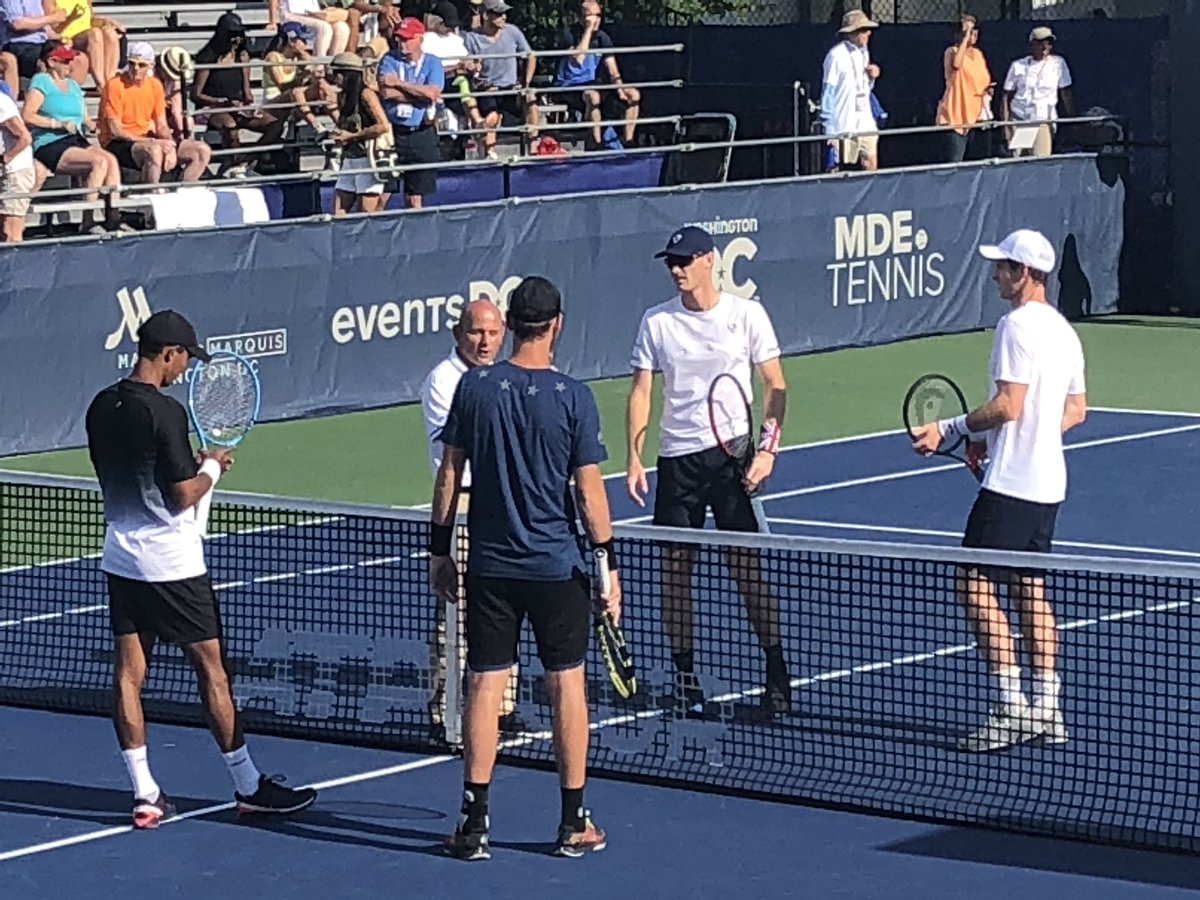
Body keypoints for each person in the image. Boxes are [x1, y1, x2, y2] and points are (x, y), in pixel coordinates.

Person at [84, 310, 319, 828]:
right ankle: (249, 786)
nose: (186, 369)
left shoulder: (101, 405)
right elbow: (180, 496)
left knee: (128, 675)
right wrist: (211, 466)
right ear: (168, 353)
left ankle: (145, 794)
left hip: (121, 558)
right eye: (185, 358)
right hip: (173, 567)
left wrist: (192, 467)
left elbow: (144, 473)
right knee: (212, 671)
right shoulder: (165, 412)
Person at [429, 276, 617, 860]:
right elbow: (589, 492)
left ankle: (473, 824)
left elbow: (449, 474)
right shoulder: (574, 397)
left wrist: (439, 550)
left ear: (509, 324)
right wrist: (607, 565)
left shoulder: (475, 388)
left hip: (490, 567)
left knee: (484, 684)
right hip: (558, 569)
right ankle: (573, 822)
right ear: (557, 324)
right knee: (567, 685)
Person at [911, 228, 1087, 753]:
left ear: (1025, 274)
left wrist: (951, 428)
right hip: (1049, 484)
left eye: (1003, 267)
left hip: (1011, 484)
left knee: (972, 584)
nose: (995, 276)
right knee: (1030, 588)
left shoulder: (1016, 326)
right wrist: (1013, 439)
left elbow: (1009, 404)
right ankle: (1047, 708)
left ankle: (1012, 708)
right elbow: (1076, 411)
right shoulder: (1064, 332)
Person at [625, 226, 791, 715]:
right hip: (678, 461)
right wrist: (634, 456)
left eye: (683, 261)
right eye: (670, 262)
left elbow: (775, 385)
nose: (676, 269)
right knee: (675, 573)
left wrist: (768, 451)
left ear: (709, 260)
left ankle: (777, 672)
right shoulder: (656, 322)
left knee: (746, 569)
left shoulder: (747, 315)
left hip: (732, 459)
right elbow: (641, 392)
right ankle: (685, 678)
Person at [420, 299, 524, 738]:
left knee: (505, 608)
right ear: (458, 334)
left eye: (493, 333)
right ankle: (444, 711)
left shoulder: (505, 378)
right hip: (462, 510)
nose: (485, 342)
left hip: (503, 507)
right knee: (456, 613)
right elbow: (461, 454)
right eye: (476, 332)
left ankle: (503, 709)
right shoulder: (443, 382)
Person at [22, 42, 124, 234]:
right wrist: (56, 124)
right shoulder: (42, 81)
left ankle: (113, 218)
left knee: (111, 160)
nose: (71, 65)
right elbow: (27, 115)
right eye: (66, 61)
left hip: (74, 138)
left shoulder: (73, 85)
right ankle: (88, 220)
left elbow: (83, 117)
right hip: (50, 141)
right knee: (99, 162)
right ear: (52, 62)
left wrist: (92, 125)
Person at [99, 42, 212, 184]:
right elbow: (116, 131)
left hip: (146, 137)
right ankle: (151, 194)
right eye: (132, 63)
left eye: (141, 65)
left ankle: (183, 189)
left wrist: (170, 145)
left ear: (150, 66)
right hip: (118, 142)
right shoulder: (115, 85)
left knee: (201, 150)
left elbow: (161, 125)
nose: (136, 68)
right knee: (154, 151)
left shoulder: (155, 85)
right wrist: (153, 141)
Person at [192, 13, 286, 178]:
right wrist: (221, 101)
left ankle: (245, 160)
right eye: (233, 35)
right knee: (230, 126)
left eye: (239, 34)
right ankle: (234, 163)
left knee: (275, 125)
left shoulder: (242, 56)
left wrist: (249, 106)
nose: (237, 39)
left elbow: (247, 91)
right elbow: (196, 94)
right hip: (212, 107)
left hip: (237, 106)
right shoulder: (209, 58)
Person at [554, 0, 640, 149]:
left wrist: (620, 90)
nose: (596, 19)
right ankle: (597, 142)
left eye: (598, 15)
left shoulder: (603, 38)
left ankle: (629, 140)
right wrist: (588, 30)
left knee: (634, 94)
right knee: (593, 97)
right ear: (581, 17)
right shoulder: (569, 34)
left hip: (593, 84)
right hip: (569, 86)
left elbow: (613, 70)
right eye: (591, 15)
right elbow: (578, 60)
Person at [376, 17, 442, 209]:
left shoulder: (433, 62)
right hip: (393, 135)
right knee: (382, 194)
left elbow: (432, 93)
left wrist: (399, 83)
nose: (402, 43)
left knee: (415, 196)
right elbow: (387, 93)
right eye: (400, 39)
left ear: (420, 39)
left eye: (407, 39)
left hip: (422, 132)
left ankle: (416, 227)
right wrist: (419, 95)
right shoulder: (389, 59)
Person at [327, 51, 389, 215]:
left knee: (366, 211)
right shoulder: (342, 97)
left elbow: (383, 126)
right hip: (349, 159)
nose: (335, 78)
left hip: (368, 159)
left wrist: (352, 136)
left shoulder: (366, 94)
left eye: (337, 73)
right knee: (338, 211)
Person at [820, 9, 881, 171]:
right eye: (864, 30)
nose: (868, 33)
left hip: (865, 123)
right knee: (838, 170)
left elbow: (865, 88)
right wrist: (830, 129)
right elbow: (828, 93)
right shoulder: (835, 56)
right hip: (844, 124)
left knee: (871, 163)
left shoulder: (864, 52)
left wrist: (872, 77)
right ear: (852, 32)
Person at [1001, 26, 1074, 159]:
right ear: (1032, 44)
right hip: (1019, 119)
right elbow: (1006, 97)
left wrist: (1072, 118)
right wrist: (1006, 126)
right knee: (1018, 160)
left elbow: (1065, 93)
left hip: (1042, 119)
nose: (1045, 47)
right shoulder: (1018, 65)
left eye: (1048, 43)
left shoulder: (1058, 63)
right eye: (1041, 43)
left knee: (1040, 158)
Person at [935, 15, 992, 163]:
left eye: (974, 30)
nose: (972, 33)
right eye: (967, 30)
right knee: (955, 161)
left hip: (977, 116)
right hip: (956, 116)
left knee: (979, 161)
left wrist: (987, 90)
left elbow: (983, 80)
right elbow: (956, 65)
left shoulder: (978, 55)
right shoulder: (951, 51)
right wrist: (965, 38)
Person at [0, 79, 34, 243]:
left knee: (11, 230)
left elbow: (25, 137)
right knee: (4, 229)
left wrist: (5, 159)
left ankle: (14, 259)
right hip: (10, 172)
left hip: (16, 171)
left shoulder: (1, 103)